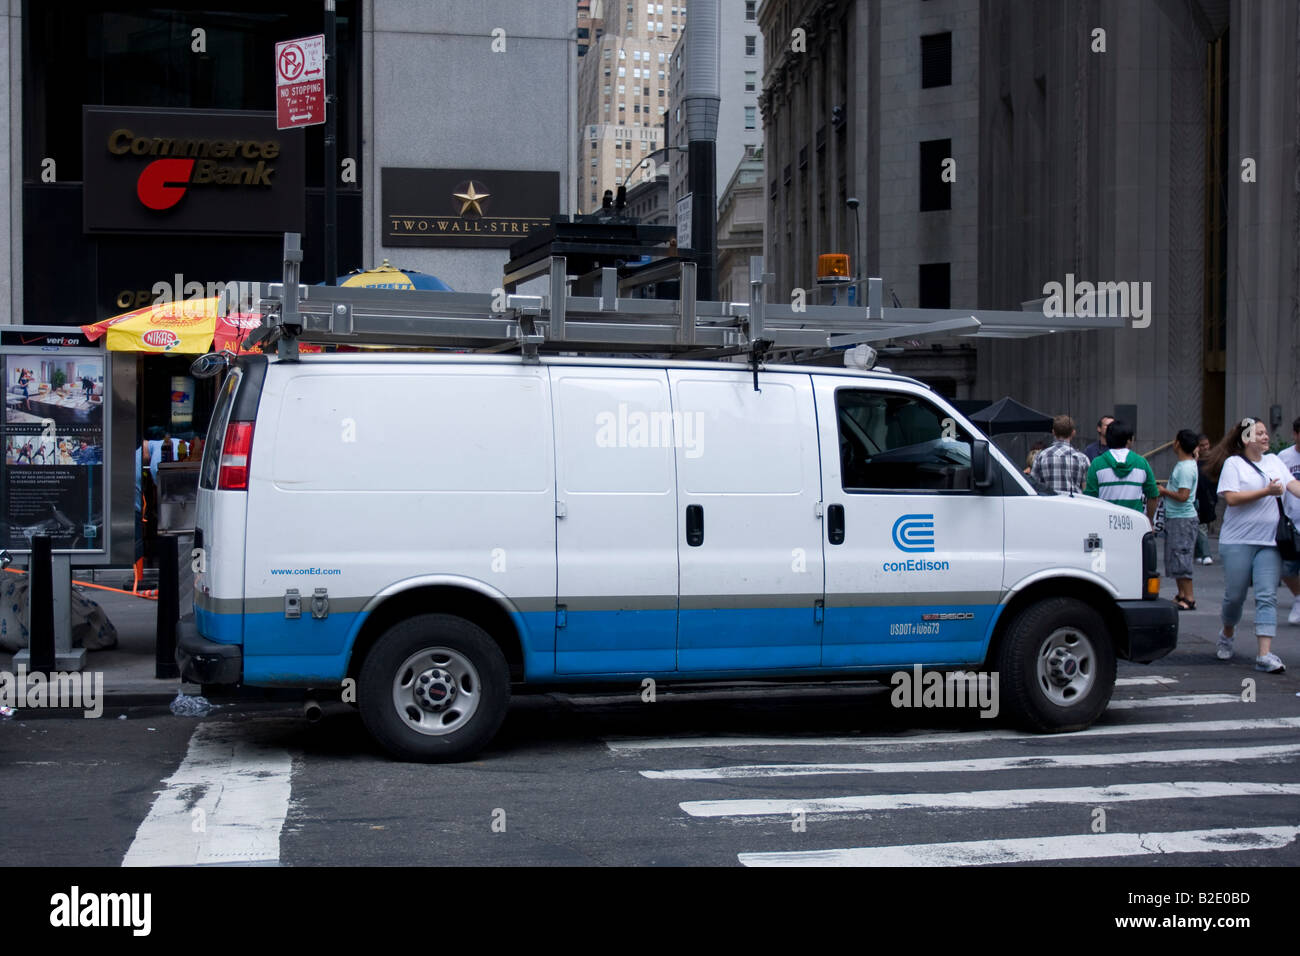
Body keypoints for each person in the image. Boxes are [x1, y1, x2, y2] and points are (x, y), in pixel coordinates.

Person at [1203, 416, 1300, 673]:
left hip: (1270, 542)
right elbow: (1232, 499)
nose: (1265, 437)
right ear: (1246, 438)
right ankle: (1227, 632)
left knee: (1266, 595)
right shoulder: (1234, 464)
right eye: (1259, 433)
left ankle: (1264, 655)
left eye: (1266, 432)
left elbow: (1293, 486)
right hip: (1238, 541)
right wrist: (1265, 492)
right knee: (1235, 596)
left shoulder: (1274, 462)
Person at [1083, 419, 1158, 520]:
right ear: (1129, 440)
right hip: (1136, 525)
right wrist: (1149, 521)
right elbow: (1153, 495)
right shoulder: (1141, 463)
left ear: (1108, 439)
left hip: (1104, 524)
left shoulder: (1097, 463)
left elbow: (1090, 498)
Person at [1159, 430, 1200, 610]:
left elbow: (1183, 496)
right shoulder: (1187, 464)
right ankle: (1182, 594)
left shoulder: (1185, 468)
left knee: (1181, 555)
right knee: (1176, 555)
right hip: (1177, 516)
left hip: (1182, 518)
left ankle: (1189, 597)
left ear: (1179, 444)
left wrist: (1163, 491)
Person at [1276, 415, 1300, 625]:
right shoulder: (1284, 457)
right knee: (1287, 570)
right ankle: (1299, 597)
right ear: (1295, 434)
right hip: (1290, 523)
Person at [1031, 415, 1091, 494]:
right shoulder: (1082, 458)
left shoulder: (1041, 456)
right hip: (1075, 504)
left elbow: (1034, 485)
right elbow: (1086, 489)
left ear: (1053, 432)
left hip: (1049, 503)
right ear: (1073, 433)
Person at [1194, 433, 1217, 564]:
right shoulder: (1193, 460)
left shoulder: (1213, 459)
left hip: (1209, 496)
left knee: (1201, 525)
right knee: (1201, 525)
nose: (1205, 448)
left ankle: (1199, 553)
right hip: (1197, 495)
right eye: (1201, 445)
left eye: (1206, 444)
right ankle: (1206, 554)